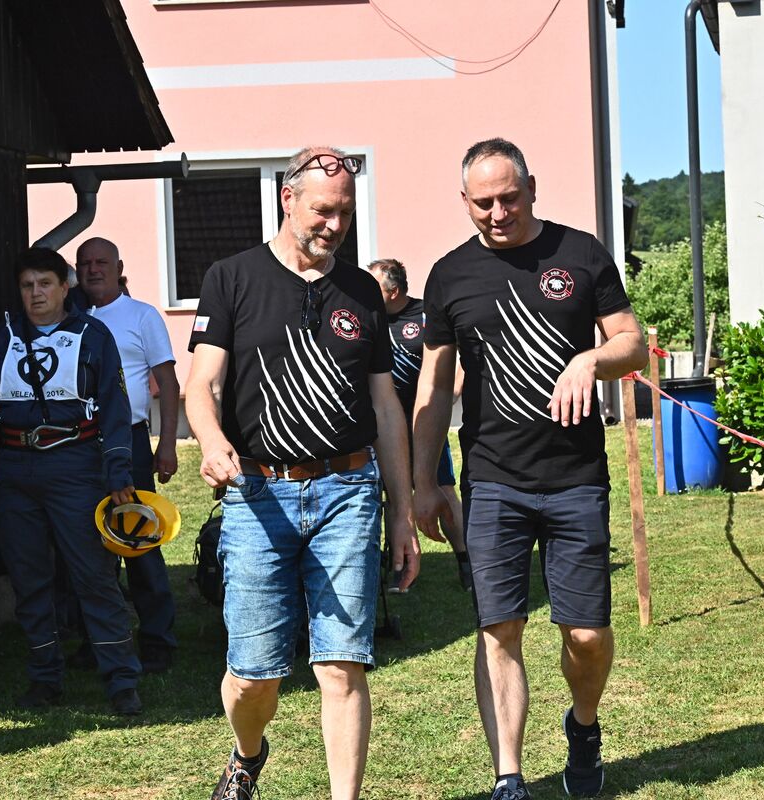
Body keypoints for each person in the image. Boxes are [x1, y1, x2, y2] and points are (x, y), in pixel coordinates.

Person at [412, 139, 648, 799]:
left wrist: (591, 360)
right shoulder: (449, 275)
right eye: (482, 202)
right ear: (465, 202)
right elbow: (434, 386)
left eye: (509, 198)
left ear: (532, 189)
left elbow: (632, 343)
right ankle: (508, 776)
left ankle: (584, 724)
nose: (497, 213)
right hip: (492, 482)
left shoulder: (580, 254)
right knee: (499, 629)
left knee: (587, 635)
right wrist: (423, 482)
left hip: (576, 479)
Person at [186, 145, 420, 800]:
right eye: (322, 211)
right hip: (258, 493)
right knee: (254, 676)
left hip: (348, 490)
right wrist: (211, 441)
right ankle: (247, 752)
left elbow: (385, 408)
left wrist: (402, 513)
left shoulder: (363, 291)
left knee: (342, 666)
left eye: (345, 213)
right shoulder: (231, 278)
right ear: (287, 199)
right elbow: (201, 384)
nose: (334, 226)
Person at [0, 247, 143, 715]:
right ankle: (45, 678)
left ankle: (121, 680)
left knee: (94, 576)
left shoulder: (94, 335)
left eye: (45, 283)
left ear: (65, 287)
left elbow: (115, 408)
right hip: (14, 473)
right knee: (28, 581)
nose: (36, 293)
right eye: (27, 286)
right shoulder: (4, 337)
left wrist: (118, 472)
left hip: (75, 468)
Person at [74, 236, 180, 674]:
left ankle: (157, 640)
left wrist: (167, 444)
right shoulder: (70, 319)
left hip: (131, 442)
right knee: (88, 545)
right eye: (85, 263)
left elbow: (167, 383)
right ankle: (97, 639)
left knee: (139, 539)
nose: (93, 269)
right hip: (78, 444)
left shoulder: (142, 315)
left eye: (102, 262)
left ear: (119, 268)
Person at [366, 258, 471, 592]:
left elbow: (465, 350)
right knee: (388, 495)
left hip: (423, 421)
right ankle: (398, 566)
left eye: (374, 286)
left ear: (394, 291)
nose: (367, 292)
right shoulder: (367, 316)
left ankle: (467, 562)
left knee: (443, 490)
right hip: (383, 426)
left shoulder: (426, 314)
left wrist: (454, 388)